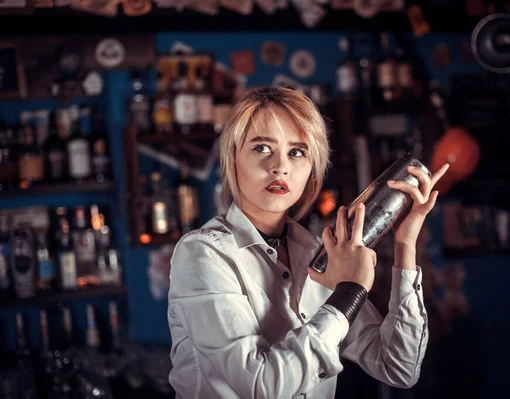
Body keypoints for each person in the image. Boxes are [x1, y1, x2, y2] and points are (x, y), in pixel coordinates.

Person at [167, 86, 449, 399]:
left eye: (297, 152)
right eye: (262, 148)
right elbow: (262, 387)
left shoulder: (316, 252)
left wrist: (405, 244)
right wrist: (349, 293)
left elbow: (398, 367)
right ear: (233, 158)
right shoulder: (204, 255)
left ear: (311, 170)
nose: (280, 166)